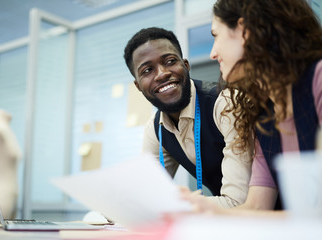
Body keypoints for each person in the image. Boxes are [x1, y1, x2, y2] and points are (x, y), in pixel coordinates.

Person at [182, 0, 322, 215]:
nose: (212, 53)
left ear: (244, 32)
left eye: (215, 35)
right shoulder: (264, 114)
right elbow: (257, 207)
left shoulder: (318, 80)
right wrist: (198, 209)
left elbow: (314, 216)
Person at [123, 27, 252, 208]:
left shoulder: (226, 103)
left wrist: (176, 207)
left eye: (170, 61)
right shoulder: (155, 128)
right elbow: (146, 196)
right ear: (138, 86)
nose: (162, 73)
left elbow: (239, 203)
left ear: (186, 65)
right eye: (147, 70)